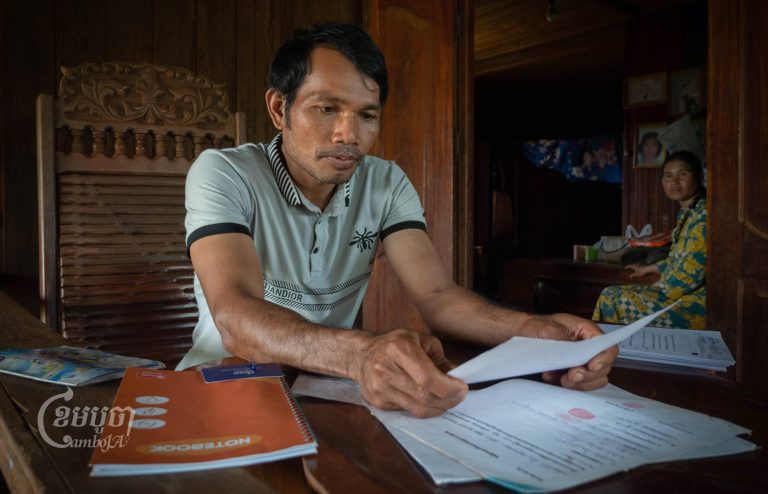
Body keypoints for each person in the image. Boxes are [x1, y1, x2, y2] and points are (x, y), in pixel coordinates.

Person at [176, 22, 617, 417]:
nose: (349, 136)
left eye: (367, 115)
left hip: (326, 391)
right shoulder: (224, 172)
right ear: (279, 109)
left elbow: (439, 295)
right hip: (224, 382)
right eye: (326, 108)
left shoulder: (385, 182)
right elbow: (234, 316)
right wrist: (362, 353)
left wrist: (536, 330)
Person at [593, 150, 706, 329]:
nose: (674, 182)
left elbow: (691, 272)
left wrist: (662, 284)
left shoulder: (703, 214)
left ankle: (610, 352)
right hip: (679, 293)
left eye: (682, 174)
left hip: (695, 304)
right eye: (668, 176)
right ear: (662, 182)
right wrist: (649, 268)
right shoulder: (688, 212)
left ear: (698, 176)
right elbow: (679, 258)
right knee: (610, 293)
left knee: (612, 299)